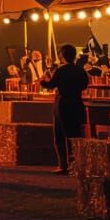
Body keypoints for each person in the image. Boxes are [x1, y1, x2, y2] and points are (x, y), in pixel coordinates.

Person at [40, 44, 89, 175]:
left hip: (63, 104)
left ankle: (64, 165)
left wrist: (42, 81)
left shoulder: (61, 70)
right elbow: (84, 85)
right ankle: (77, 164)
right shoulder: (80, 70)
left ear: (62, 55)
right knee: (76, 135)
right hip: (77, 102)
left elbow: (50, 85)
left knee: (61, 135)